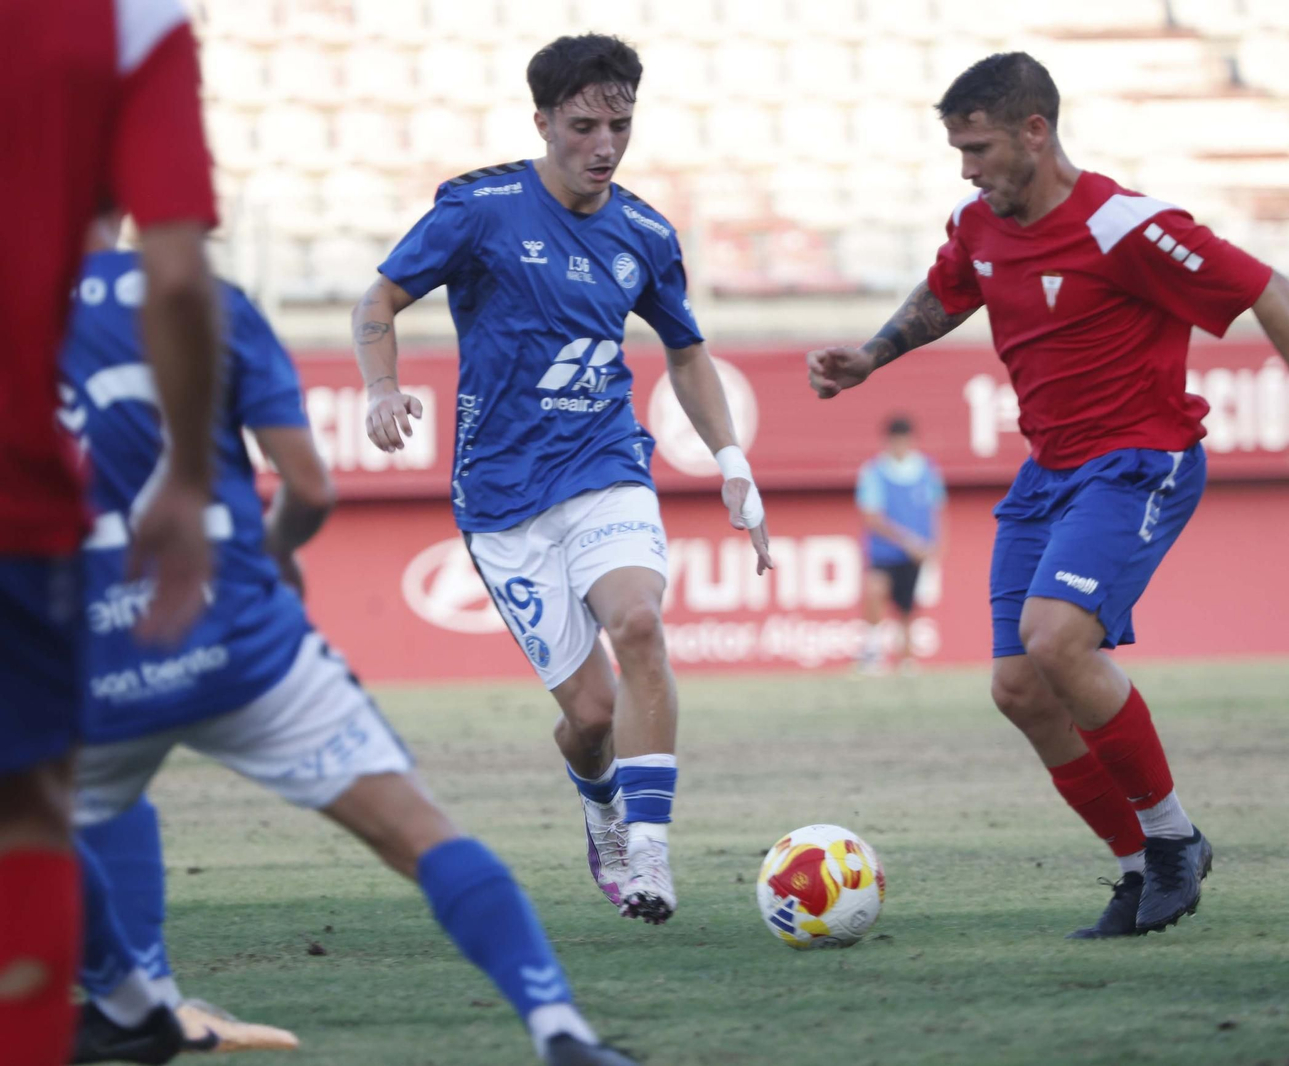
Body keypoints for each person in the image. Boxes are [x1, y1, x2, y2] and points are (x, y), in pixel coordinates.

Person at [807, 53, 1289, 938]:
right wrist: (871, 357)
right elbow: (949, 289)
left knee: (1057, 640)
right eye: (958, 150)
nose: (967, 168)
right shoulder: (978, 221)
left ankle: (1172, 838)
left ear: (1035, 133)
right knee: (1018, 687)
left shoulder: (1125, 226)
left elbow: (1264, 287)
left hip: (1138, 461)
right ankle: (1137, 868)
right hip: (1047, 473)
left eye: (979, 147)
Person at [63, 218, 636, 1066]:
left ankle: (129, 999)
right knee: (421, 831)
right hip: (246, 641)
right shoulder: (213, 303)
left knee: (37, 827)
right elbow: (308, 487)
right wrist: (274, 554)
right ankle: (561, 1029)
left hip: (97, 658)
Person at [355, 34, 771, 927]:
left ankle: (651, 855)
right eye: (583, 125)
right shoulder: (479, 209)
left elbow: (688, 353)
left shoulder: (647, 232)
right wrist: (381, 388)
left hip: (605, 464)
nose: (605, 146)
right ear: (542, 121)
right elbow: (377, 302)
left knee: (641, 623)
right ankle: (603, 810)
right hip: (503, 499)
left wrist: (732, 461)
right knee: (589, 715)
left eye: (619, 124)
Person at [0, 1, 221, 1059]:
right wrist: (186, 472)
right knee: (36, 797)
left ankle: (132, 1003)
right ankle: (129, 1002)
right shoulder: (131, 26)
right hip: (20, 480)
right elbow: (175, 271)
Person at [855, 416, 945, 674]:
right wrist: (907, 541)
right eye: (895, 441)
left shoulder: (927, 470)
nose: (900, 446)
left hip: (916, 555)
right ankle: (871, 654)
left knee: (907, 608)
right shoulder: (874, 471)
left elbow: (936, 510)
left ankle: (906, 662)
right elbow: (872, 517)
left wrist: (934, 546)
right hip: (884, 551)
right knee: (875, 592)